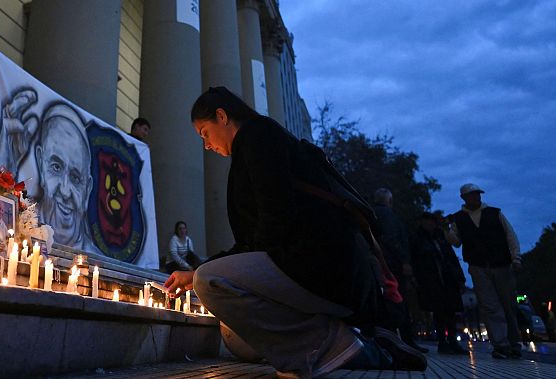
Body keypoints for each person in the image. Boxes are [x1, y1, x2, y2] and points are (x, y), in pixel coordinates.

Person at [164, 87, 425, 378]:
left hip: (321, 270)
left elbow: (272, 226)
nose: (206, 145)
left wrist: (203, 268)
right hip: (324, 270)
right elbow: (260, 236)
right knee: (237, 338)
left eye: (204, 133)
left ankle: (338, 345)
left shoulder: (256, 137)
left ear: (222, 116)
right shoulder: (263, 141)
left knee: (210, 281)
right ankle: (349, 338)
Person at [445, 183, 522, 359]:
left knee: (508, 305)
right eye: (472, 195)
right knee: (490, 306)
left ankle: (514, 343)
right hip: (478, 267)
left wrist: (516, 258)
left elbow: (511, 236)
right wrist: (445, 229)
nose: (476, 197)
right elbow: (455, 242)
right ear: (464, 198)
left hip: (501, 264)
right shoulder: (459, 219)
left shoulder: (495, 213)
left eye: (477, 194)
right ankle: (501, 345)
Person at [372, 188, 427, 353]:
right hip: (392, 263)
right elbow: (392, 238)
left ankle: (388, 338)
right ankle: (406, 340)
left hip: (380, 262)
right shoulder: (388, 215)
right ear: (389, 201)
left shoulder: (372, 214)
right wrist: (404, 260)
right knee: (399, 299)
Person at [32, 103, 93, 250]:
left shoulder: (96, 256)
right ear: (41, 165)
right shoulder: (16, 232)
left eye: (76, 178)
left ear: (88, 190)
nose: (65, 191)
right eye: (56, 167)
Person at [412, 212, 468, 354]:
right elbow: (417, 259)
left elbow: (451, 257)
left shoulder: (441, 237)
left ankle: (453, 342)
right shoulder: (417, 239)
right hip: (431, 279)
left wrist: (460, 278)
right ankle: (443, 342)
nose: (429, 224)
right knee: (439, 311)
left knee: (450, 311)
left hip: (447, 278)